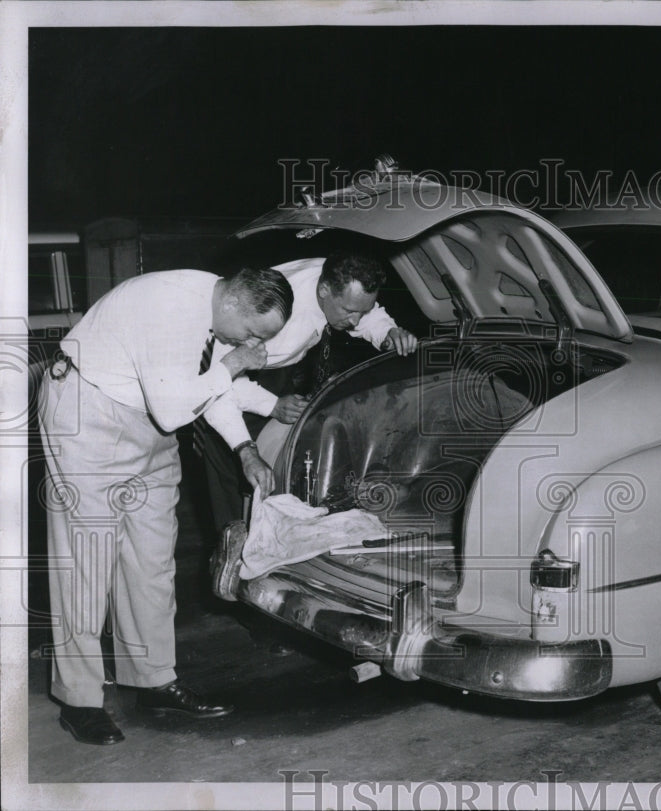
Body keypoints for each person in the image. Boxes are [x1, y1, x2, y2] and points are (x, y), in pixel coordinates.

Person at [38, 266, 294, 745]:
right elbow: (176, 406)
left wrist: (245, 449)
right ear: (236, 303)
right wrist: (233, 364)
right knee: (86, 559)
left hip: (148, 422)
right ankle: (79, 700)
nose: (254, 346)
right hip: (89, 410)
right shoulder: (170, 307)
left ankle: (153, 678)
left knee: (153, 560)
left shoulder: (216, 309)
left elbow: (207, 390)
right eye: (255, 334)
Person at [199, 245, 418, 534]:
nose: (354, 321)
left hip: (280, 372)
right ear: (325, 290)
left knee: (282, 468)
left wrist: (387, 332)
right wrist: (272, 404)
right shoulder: (270, 307)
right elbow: (217, 378)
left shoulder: (340, 278)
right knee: (235, 480)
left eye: (360, 312)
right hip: (228, 381)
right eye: (348, 311)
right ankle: (234, 555)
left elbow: (364, 312)